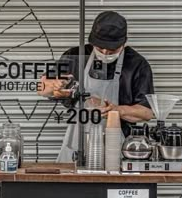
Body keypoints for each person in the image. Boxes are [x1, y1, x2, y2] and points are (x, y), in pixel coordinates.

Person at [38, 10, 154, 162]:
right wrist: (53, 87)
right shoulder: (76, 56)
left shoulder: (137, 65)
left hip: (117, 148)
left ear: (124, 43)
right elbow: (42, 88)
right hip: (77, 146)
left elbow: (146, 113)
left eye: (112, 49)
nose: (105, 52)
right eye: (100, 48)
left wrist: (118, 110)